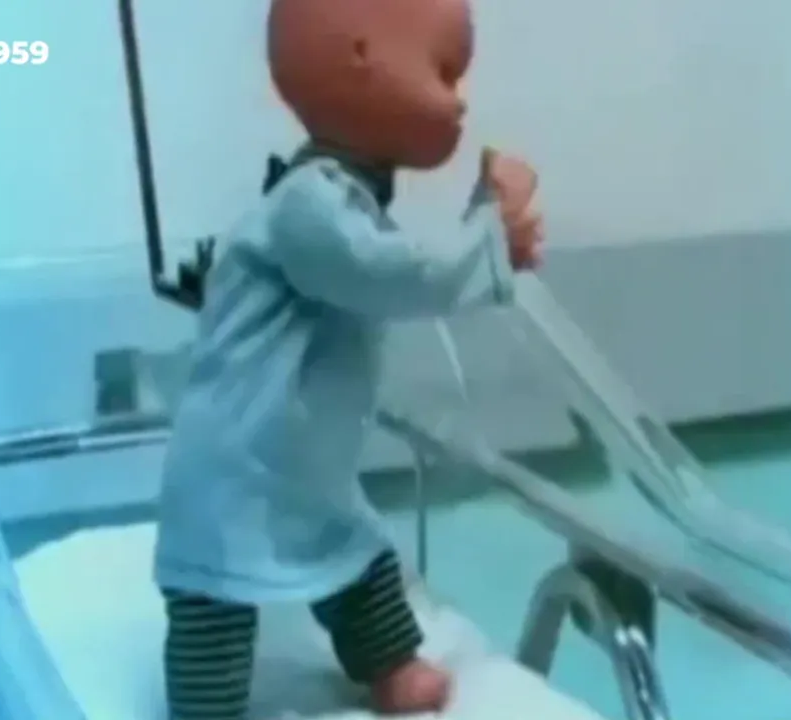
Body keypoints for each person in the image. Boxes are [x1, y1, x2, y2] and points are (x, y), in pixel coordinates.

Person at [153, 0, 544, 716]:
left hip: (300, 462)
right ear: (360, 55)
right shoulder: (310, 206)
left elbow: (397, 264)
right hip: (235, 465)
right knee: (216, 594)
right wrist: (492, 238)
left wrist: (480, 221)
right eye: (444, 72)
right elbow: (392, 275)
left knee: (353, 552)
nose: (459, 101)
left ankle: (389, 664)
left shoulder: (339, 200)